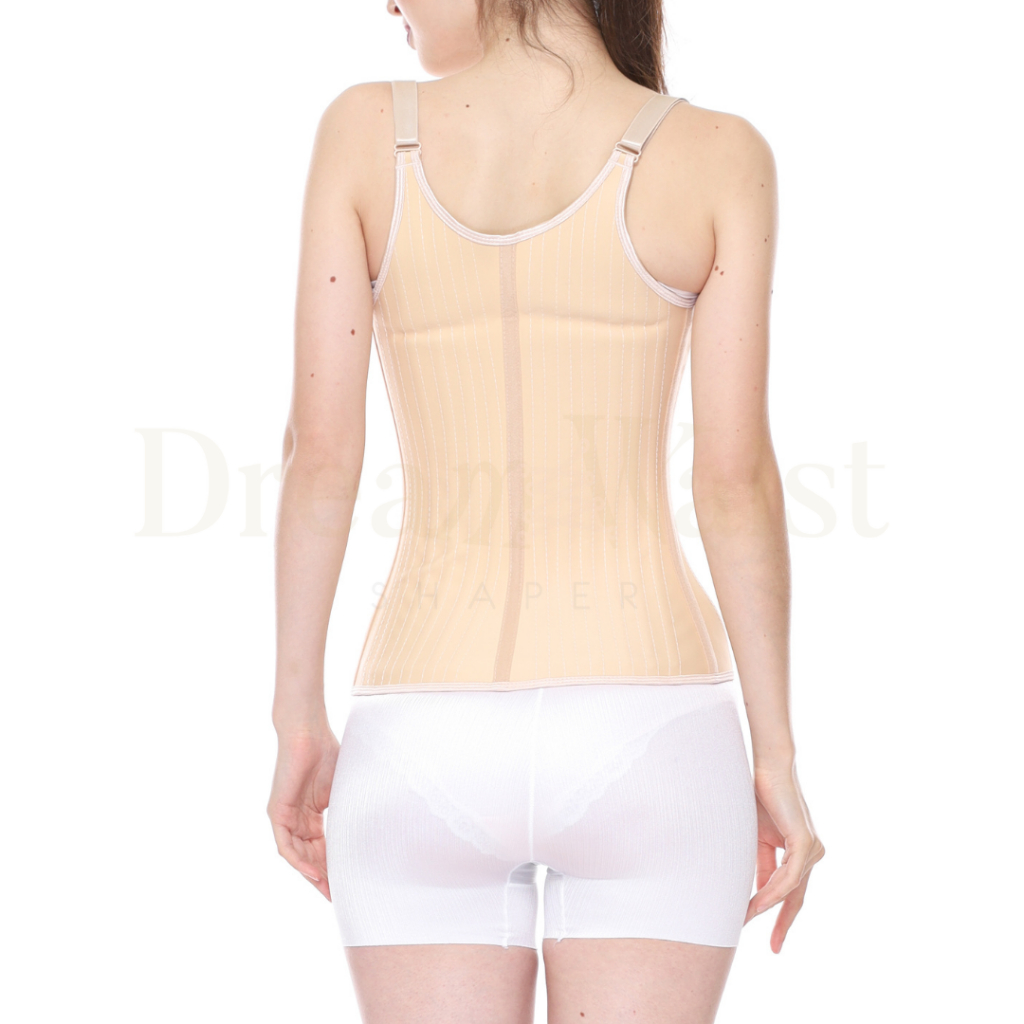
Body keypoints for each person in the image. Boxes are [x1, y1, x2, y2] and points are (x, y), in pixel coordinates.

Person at [268, 0, 825, 1020]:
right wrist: (777, 754)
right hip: (654, 733)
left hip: (418, 733)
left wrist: (296, 714)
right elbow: (733, 479)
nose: (387, 3)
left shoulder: (362, 132)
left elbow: (321, 455)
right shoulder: (717, 154)